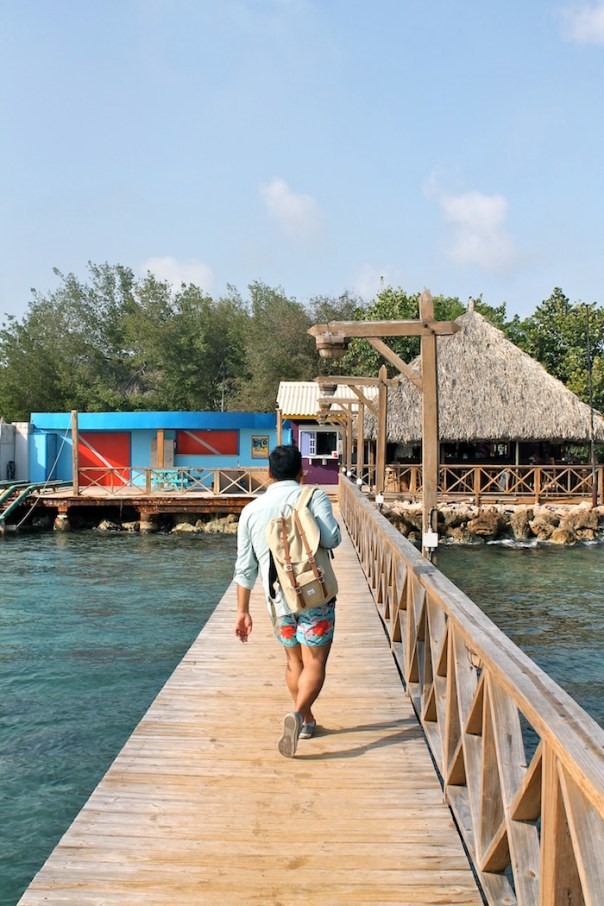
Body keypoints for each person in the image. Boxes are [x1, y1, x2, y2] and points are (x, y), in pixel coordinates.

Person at [233, 444, 341, 758]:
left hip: (277, 600)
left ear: (268, 473)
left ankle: (306, 721)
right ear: (301, 472)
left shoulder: (251, 511)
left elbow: (245, 567)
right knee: (315, 662)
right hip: (314, 595)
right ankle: (298, 714)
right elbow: (332, 539)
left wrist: (242, 611)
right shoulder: (313, 496)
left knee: (294, 662)